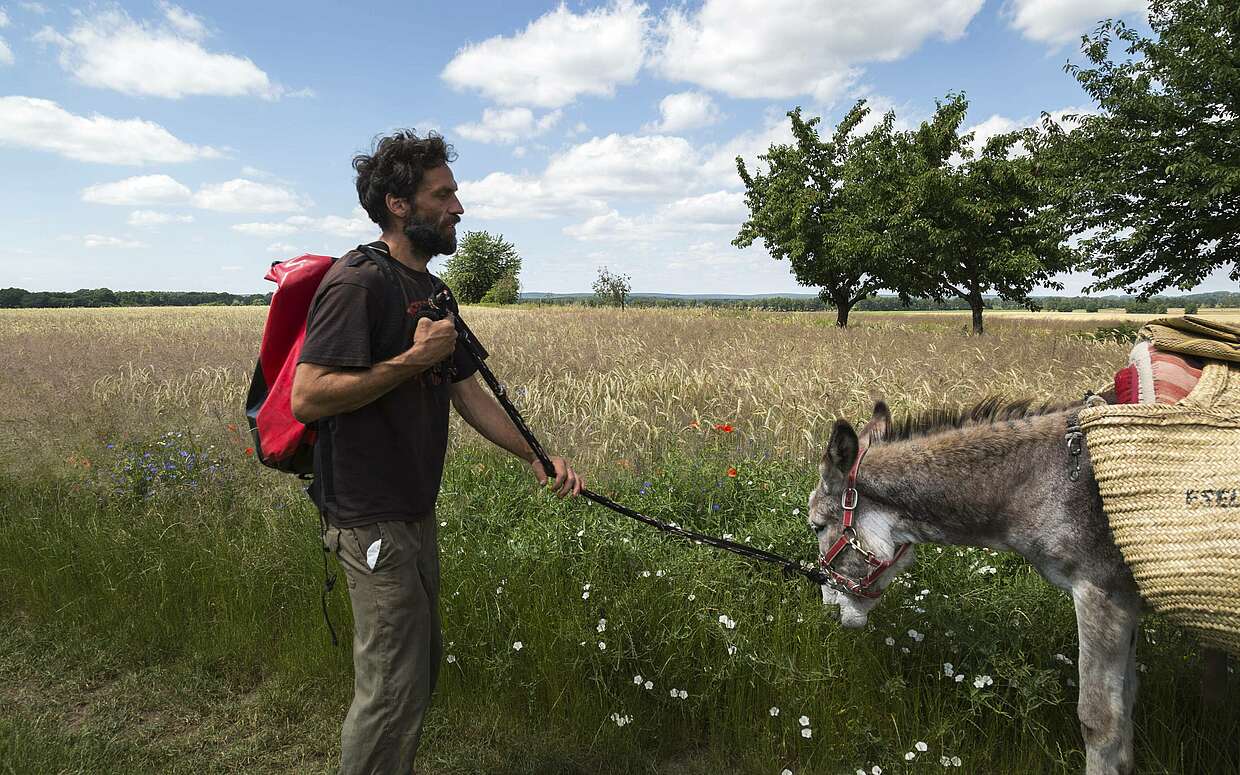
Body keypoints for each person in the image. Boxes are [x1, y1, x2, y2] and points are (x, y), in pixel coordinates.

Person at [290, 129, 583, 774]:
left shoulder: (429, 288)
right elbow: (308, 397)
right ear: (399, 204)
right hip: (368, 516)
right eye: (443, 194)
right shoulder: (357, 283)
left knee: (416, 673)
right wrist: (411, 359)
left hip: (411, 513)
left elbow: (467, 390)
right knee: (392, 690)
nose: (458, 207)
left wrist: (534, 455)